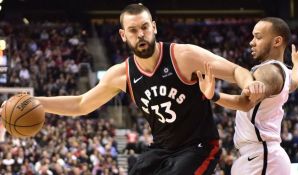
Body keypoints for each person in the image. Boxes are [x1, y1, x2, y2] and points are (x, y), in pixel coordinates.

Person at [0, 4, 264, 175]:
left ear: (154, 27)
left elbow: (235, 71)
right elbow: (81, 104)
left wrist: (248, 82)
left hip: (199, 146)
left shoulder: (183, 56)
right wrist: (39, 102)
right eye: (133, 30)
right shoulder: (122, 73)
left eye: (145, 27)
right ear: (123, 35)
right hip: (162, 147)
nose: (141, 34)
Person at [198, 17, 298, 175]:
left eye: (258, 37)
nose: (252, 42)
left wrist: (213, 95)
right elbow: (295, 83)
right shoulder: (283, 71)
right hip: (262, 157)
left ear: (276, 41)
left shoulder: (269, 71)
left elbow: (245, 103)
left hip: (261, 158)